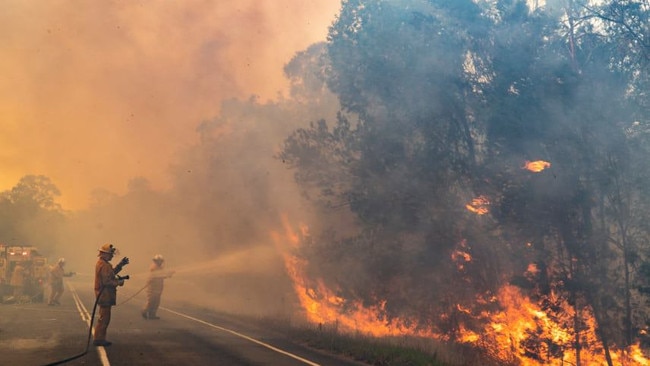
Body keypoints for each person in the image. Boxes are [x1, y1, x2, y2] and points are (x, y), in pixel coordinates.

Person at [93, 243, 128, 347]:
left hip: (104, 295)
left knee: (103, 318)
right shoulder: (103, 265)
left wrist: (120, 265)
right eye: (110, 254)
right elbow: (107, 281)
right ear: (104, 254)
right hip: (104, 295)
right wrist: (119, 282)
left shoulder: (103, 263)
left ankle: (99, 338)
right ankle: (99, 339)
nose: (112, 256)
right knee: (104, 319)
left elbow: (111, 273)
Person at [141, 254, 174, 320]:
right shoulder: (154, 267)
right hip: (152, 288)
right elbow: (159, 275)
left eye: (161, 261)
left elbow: (162, 276)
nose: (160, 262)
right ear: (156, 261)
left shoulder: (160, 268)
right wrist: (168, 274)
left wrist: (169, 274)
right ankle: (144, 311)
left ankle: (152, 315)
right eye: (159, 261)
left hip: (158, 288)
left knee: (156, 302)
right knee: (151, 301)